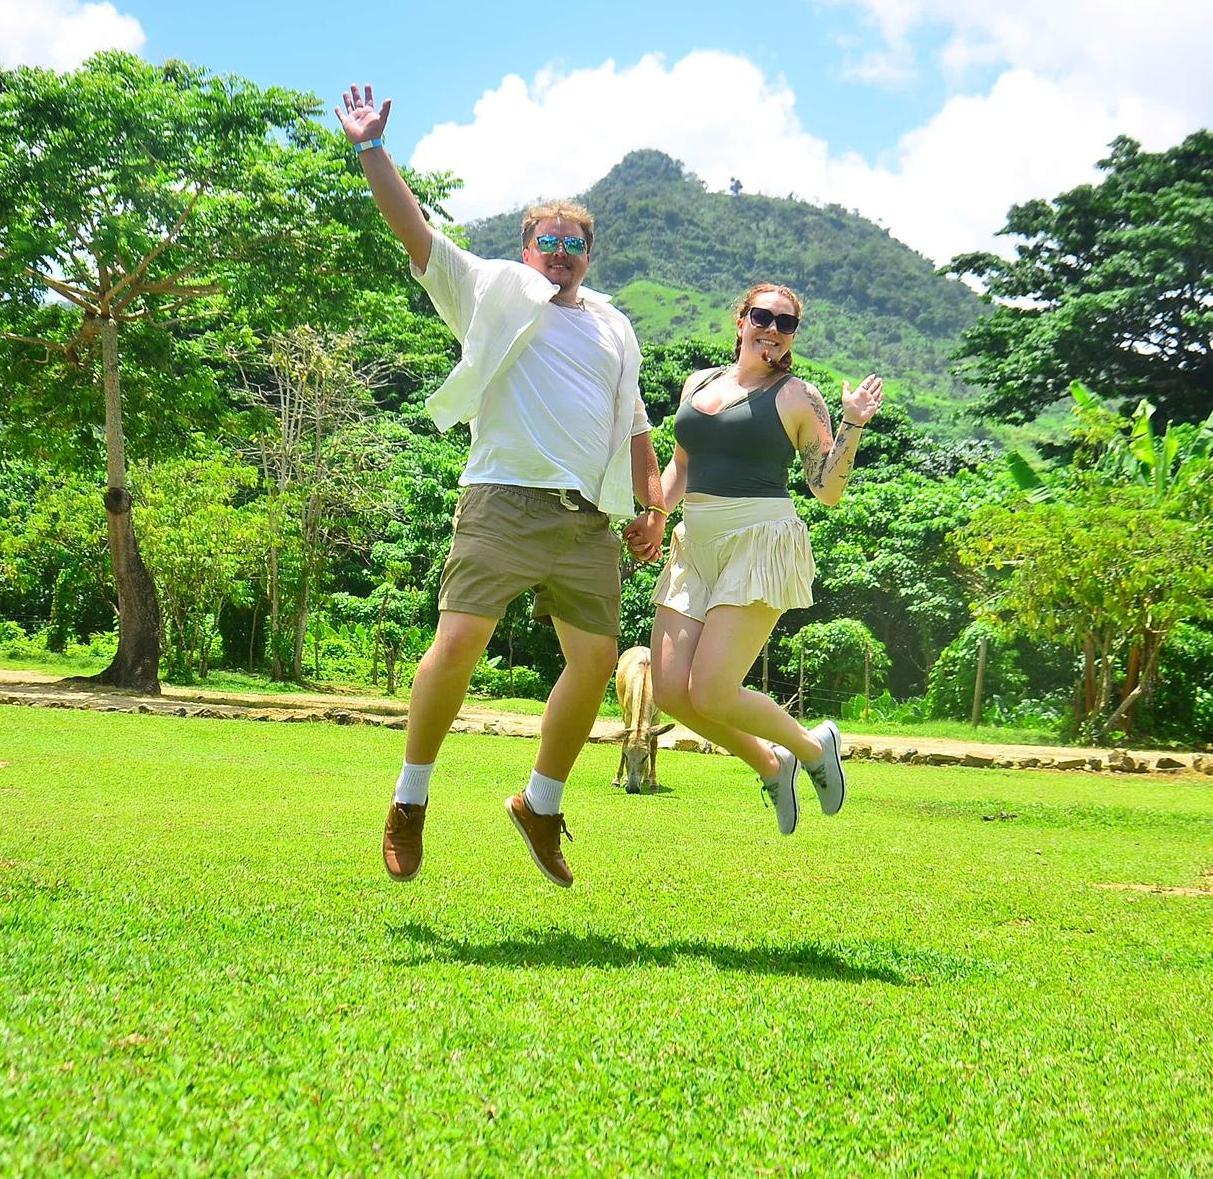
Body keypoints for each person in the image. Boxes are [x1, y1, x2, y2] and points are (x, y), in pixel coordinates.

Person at [335, 84, 666, 888]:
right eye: (548, 239)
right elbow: (414, 233)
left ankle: (540, 804)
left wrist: (651, 505)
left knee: (592, 666)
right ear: (526, 248)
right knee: (458, 644)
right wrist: (372, 150)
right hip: (505, 500)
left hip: (588, 520)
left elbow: (635, 428)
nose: (560, 251)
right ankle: (410, 799)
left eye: (574, 242)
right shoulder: (489, 289)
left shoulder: (614, 326)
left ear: (591, 254)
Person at [639, 282, 883, 834]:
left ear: (792, 335)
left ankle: (813, 747)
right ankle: (773, 764)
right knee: (674, 693)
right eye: (763, 316)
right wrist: (656, 513)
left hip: (758, 539)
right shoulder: (698, 382)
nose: (772, 328)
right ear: (741, 320)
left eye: (786, 323)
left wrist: (853, 424)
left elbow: (826, 489)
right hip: (694, 542)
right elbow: (682, 464)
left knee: (713, 691)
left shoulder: (798, 395)